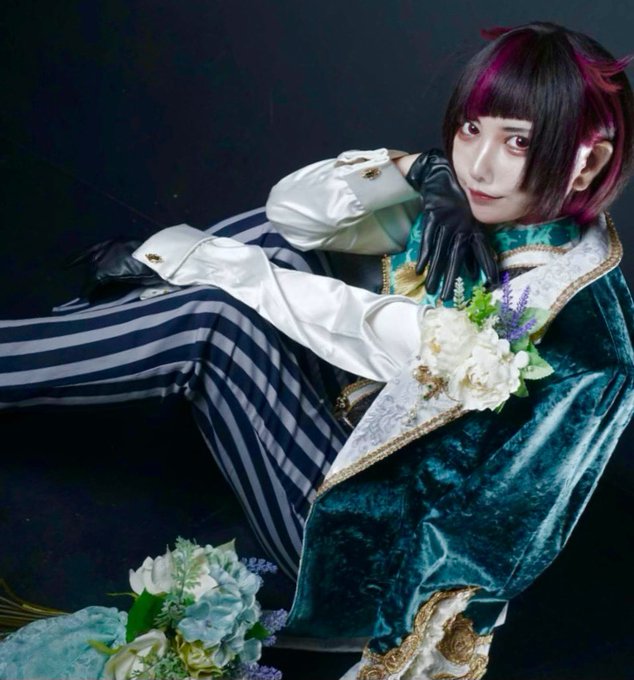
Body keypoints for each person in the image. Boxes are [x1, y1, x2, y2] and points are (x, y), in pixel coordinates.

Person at [1, 20, 633, 680]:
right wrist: (416, 169)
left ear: (587, 162)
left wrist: (194, 257)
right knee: (277, 244)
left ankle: (52, 348)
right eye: (472, 128)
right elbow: (292, 214)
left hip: (370, 563)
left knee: (214, 320)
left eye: (518, 141)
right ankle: (87, 336)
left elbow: (364, 326)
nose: (477, 164)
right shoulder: (498, 210)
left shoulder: (565, 316)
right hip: (362, 441)